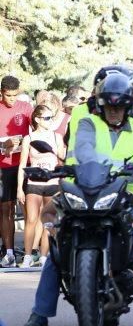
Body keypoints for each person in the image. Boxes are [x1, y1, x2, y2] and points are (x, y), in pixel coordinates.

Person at [23, 70, 133, 326]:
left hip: (125, 196)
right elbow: (84, 148)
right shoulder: (89, 123)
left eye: (119, 106)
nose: (113, 111)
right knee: (58, 247)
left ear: (127, 106)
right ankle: (40, 314)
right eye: (108, 106)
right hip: (86, 189)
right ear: (100, 105)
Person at [16, 105, 65, 268]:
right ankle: (28, 256)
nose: (50, 121)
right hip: (34, 183)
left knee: (48, 221)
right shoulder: (29, 138)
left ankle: (44, 256)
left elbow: (61, 161)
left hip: (52, 183)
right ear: (37, 119)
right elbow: (22, 164)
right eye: (47, 118)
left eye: (52, 117)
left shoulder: (56, 136)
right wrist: (19, 188)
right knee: (31, 219)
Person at [0, 75, 32, 267]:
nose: (12, 99)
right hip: (3, 166)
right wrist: (4, 144)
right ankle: (9, 252)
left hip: (23, 165)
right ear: (2, 93)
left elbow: (35, 132)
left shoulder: (26, 108)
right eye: (8, 95)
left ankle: (32, 251)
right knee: (6, 209)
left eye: (14, 95)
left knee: (29, 208)